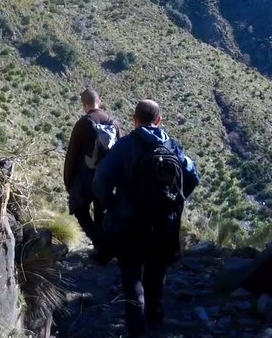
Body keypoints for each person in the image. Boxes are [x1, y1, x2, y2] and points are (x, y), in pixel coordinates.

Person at [94, 99, 200, 337]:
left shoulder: (124, 146)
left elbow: (101, 180)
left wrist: (111, 203)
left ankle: (137, 329)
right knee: (157, 270)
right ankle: (155, 317)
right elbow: (193, 176)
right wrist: (174, 201)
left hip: (130, 223)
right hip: (165, 223)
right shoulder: (173, 146)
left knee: (132, 276)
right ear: (159, 120)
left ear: (134, 120)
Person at [63, 88, 120, 255]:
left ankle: (100, 243)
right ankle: (104, 247)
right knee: (102, 212)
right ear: (99, 101)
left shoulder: (83, 123)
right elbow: (120, 152)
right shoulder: (113, 123)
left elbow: (72, 155)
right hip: (107, 179)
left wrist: (68, 181)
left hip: (85, 179)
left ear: (84, 105)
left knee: (80, 211)